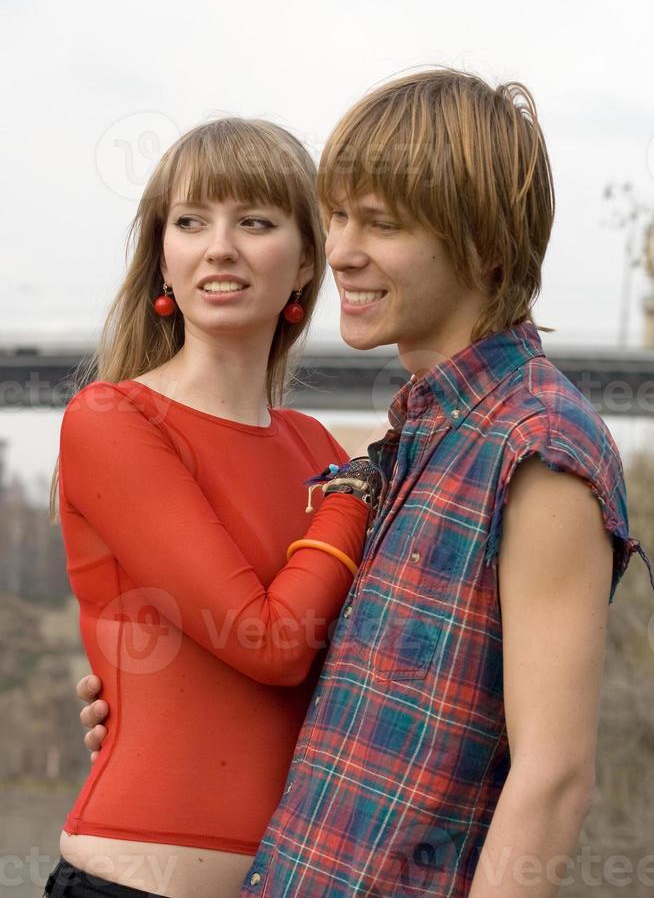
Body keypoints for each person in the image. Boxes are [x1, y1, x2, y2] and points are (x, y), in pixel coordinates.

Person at [78, 70, 653, 897]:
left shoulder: (538, 445)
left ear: (483, 245)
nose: (340, 251)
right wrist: (151, 698)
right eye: (337, 214)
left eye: (379, 224)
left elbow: (554, 779)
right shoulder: (410, 444)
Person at [45, 116, 380, 898]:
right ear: (164, 256)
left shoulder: (313, 447)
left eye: (254, 221)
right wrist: (357, 491)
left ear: (305, 263)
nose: (218, 246)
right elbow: (266, 642)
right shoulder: (111, 420)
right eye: (191, 221)